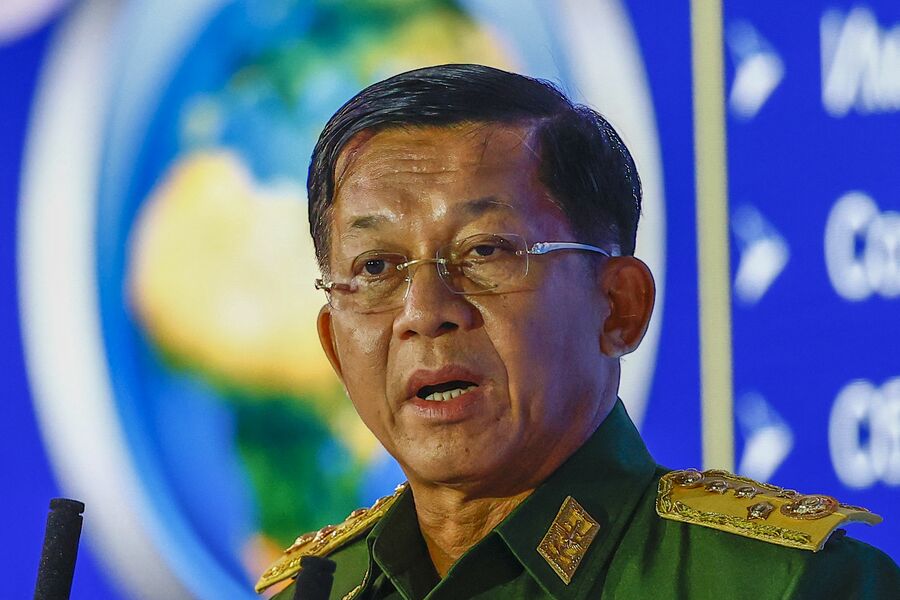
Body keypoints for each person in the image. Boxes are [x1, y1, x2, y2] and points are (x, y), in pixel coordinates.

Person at [256, 64, 899, 599]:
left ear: (618, 308)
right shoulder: (316, 591)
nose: (425, 311)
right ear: (334, 344)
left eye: (485, 252)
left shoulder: (783, 585)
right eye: (375, 267)